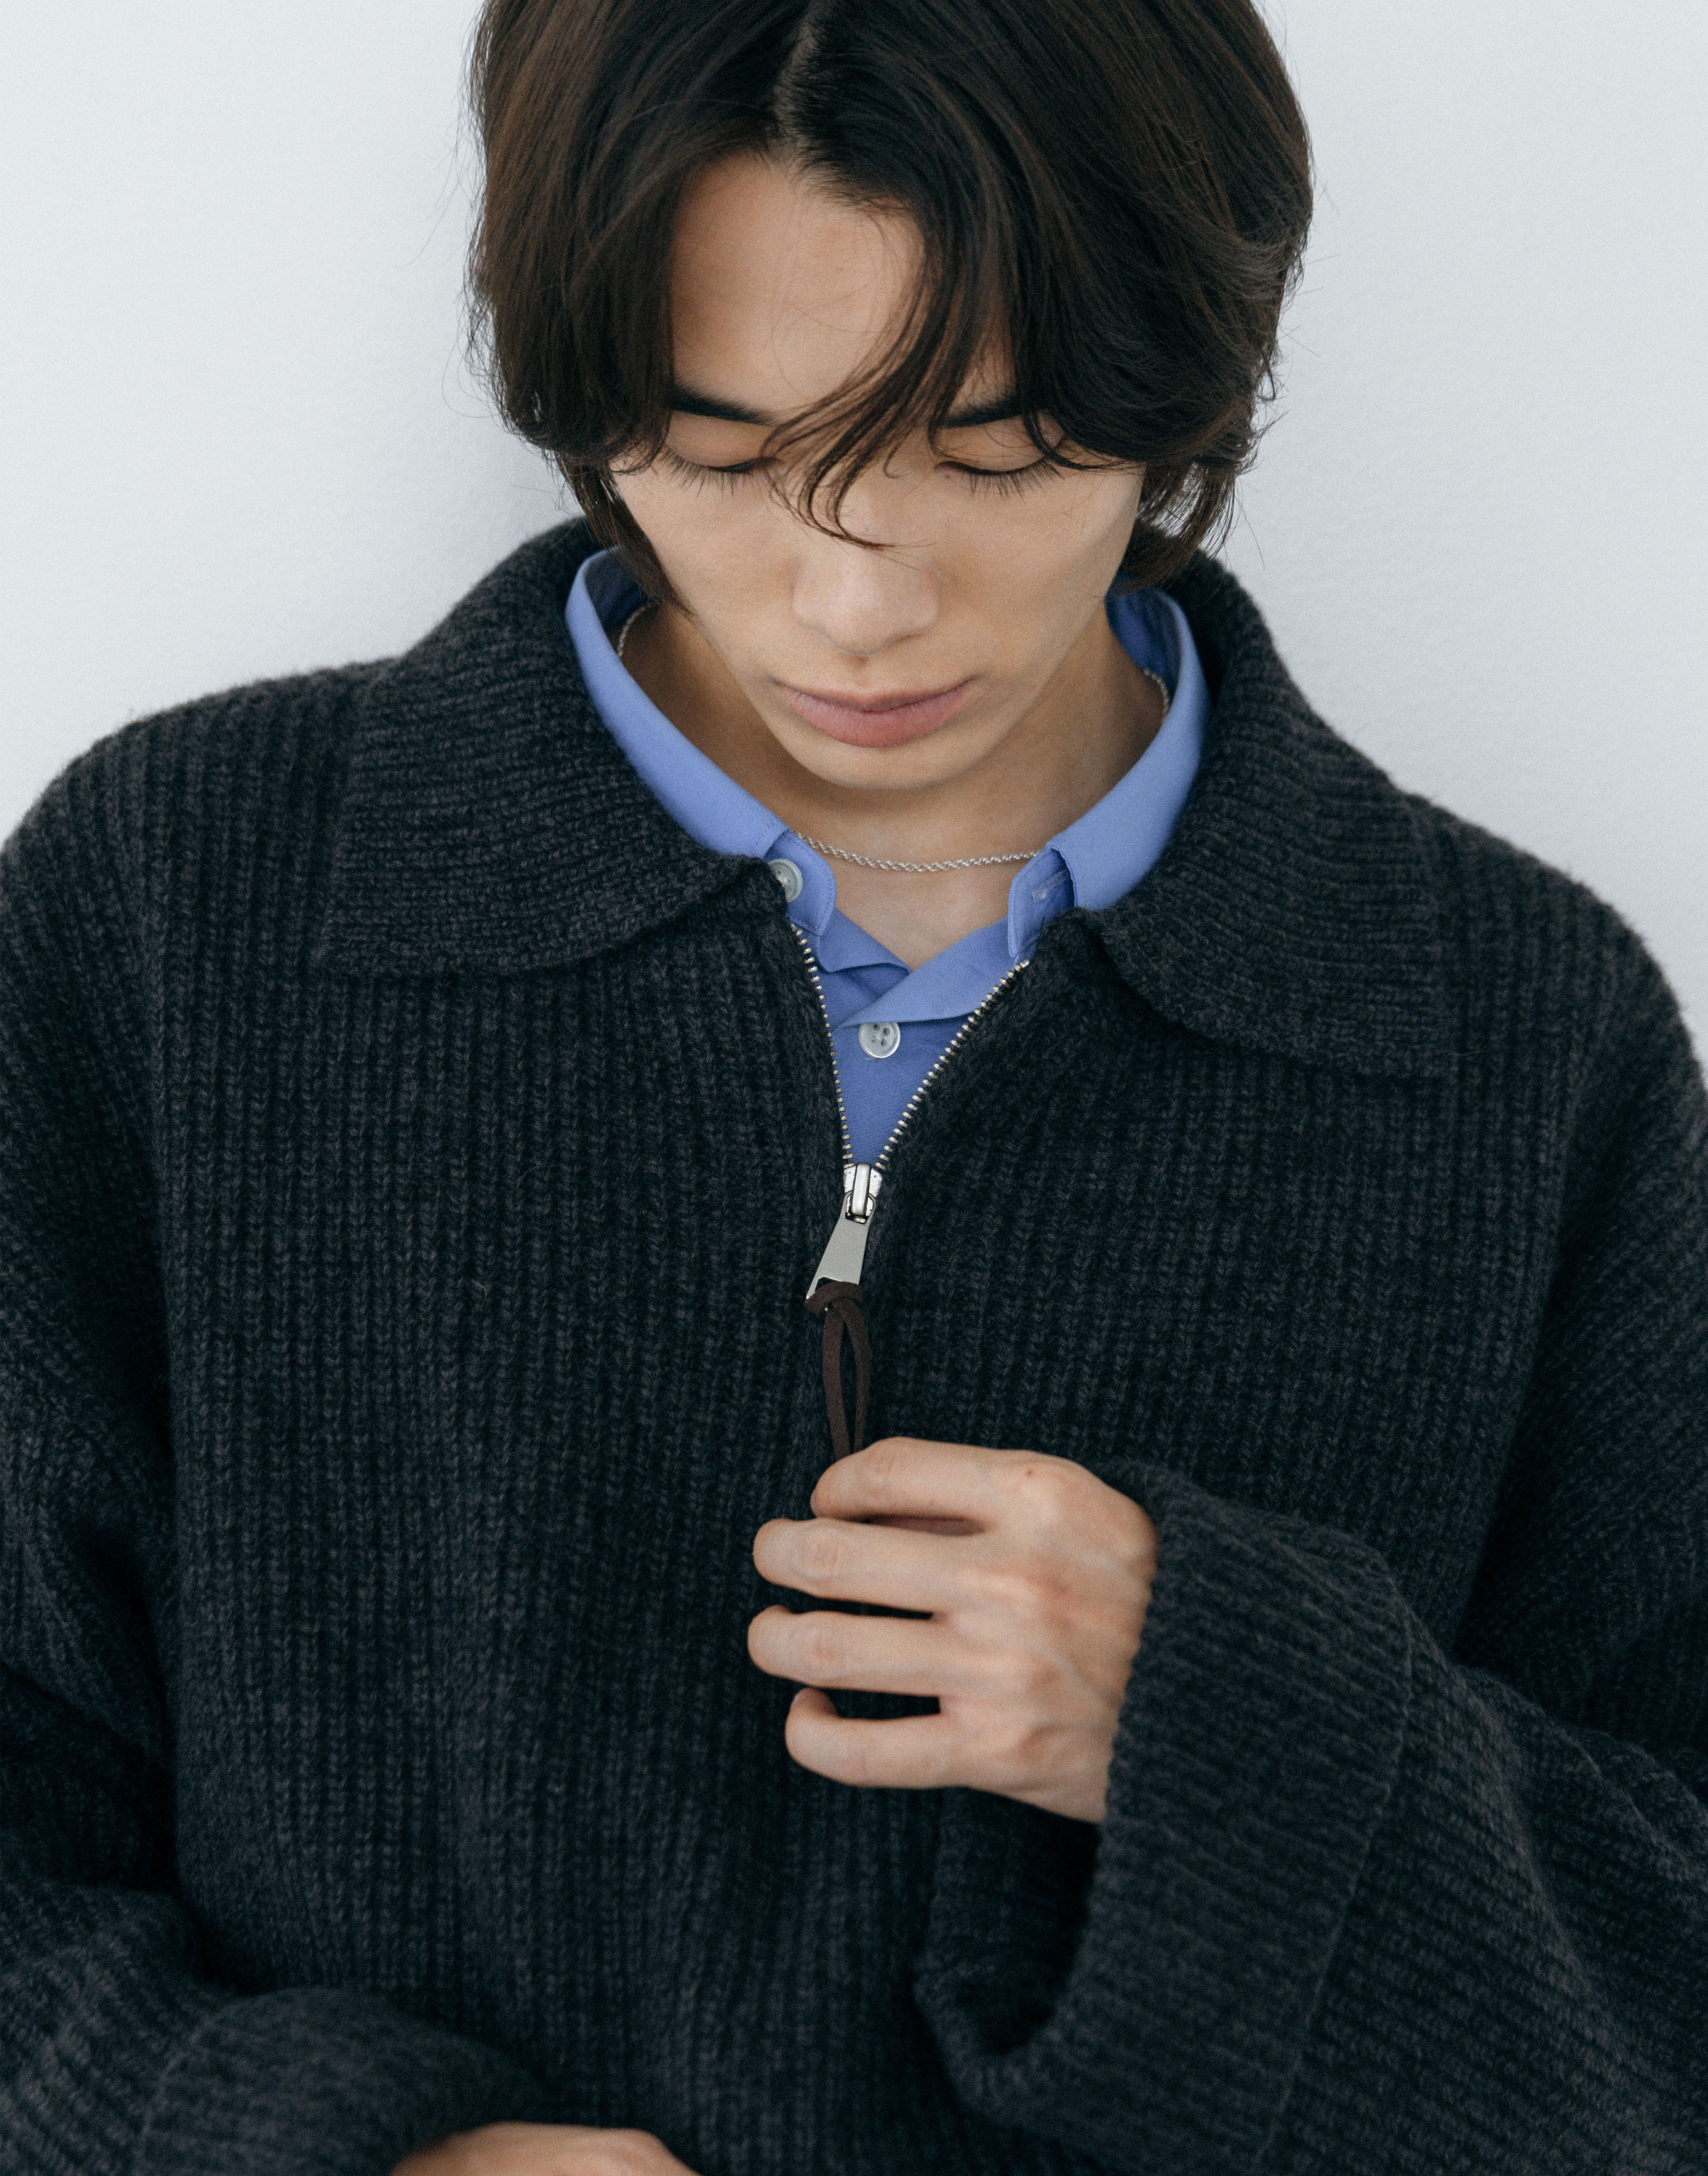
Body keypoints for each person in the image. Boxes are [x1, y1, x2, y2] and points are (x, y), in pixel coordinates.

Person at [1, 0, 1704, 2171]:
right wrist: (311, 2147)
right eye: (719, 451)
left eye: (995, 453)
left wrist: (1221, 1734)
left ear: (1191, 376)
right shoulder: (177, 907)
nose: (856, 602)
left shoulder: (1518, 1041)